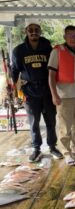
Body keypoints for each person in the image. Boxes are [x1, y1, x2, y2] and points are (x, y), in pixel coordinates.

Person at [11, 19, 63, 162]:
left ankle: (52, 147)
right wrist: (14, 92)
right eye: (30, 29)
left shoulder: (48, 47)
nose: (34, 32)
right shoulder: (18, 50)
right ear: (26, 31)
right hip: (30, 91)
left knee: (51, 121)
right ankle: (36, 149)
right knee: (34, 123)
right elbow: (14, 72)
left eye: (36, 29)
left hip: (47, 90)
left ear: (40, 31)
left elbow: (55, 68)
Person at [48, 25, 75, 166]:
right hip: (64, 97)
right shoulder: (57, 51)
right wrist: (54, 95)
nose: (73, 38)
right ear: (64, 37)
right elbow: (51, 75)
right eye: (70, 35)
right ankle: (67, 152)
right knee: (65, 128)